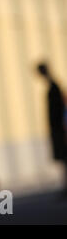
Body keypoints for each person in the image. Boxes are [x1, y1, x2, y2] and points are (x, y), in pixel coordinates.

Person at [37, 63, 67, 194]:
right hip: (58, 128)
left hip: (60, 128)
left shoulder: (54, 87)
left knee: (64, 157)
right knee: (63, 159)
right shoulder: (52, 86)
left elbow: (61, 108)